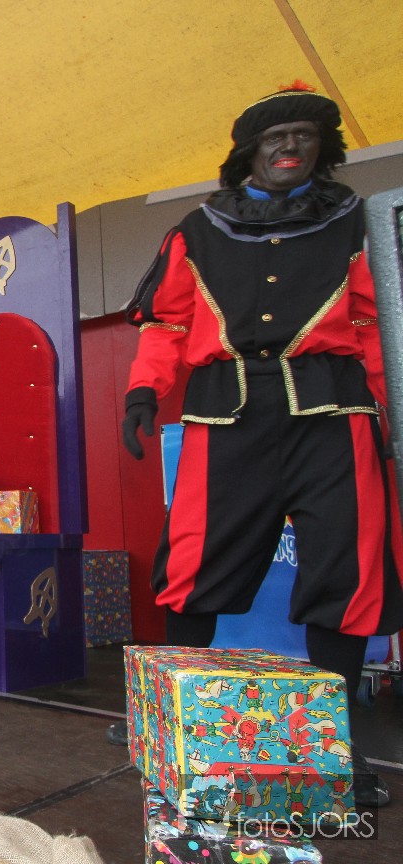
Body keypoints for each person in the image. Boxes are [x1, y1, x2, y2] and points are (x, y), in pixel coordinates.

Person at [121, 84, 403, 807]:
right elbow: (168, 324)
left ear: (322, 147)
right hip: (227, 415)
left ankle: (335, 749)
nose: (290, 146)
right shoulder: (197, 228)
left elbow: (374, 323)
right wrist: (143, 391)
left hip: (334, 412)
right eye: (276, 136)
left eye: (304, 135)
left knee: (347, 573)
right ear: (249, 151)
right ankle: (173, 726)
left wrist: (396, 410)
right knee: (193, 566)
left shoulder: (355, 221)